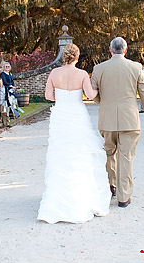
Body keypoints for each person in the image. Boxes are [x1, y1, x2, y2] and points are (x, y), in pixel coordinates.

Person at [38, 43, 110, 223]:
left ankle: (58, 200)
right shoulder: (82, 74)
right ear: (77, 57)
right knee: (80, 154)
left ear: (64, 56)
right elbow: (91, 95)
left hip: (61, 115)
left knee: (60, 155)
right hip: (77, 115)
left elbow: (48, 96)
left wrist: (61, 99)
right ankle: (81, 196)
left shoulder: (54, 74)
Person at [90, 37, 144, 208]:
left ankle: (112, 185)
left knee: (109, 153)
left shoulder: (99, 68)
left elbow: (93, 93)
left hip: (107, 118)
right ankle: (123, 196)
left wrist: (103, 101)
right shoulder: (135, 67)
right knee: (126, 156)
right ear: (125, 50)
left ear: (110, 50)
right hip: (129, 119)